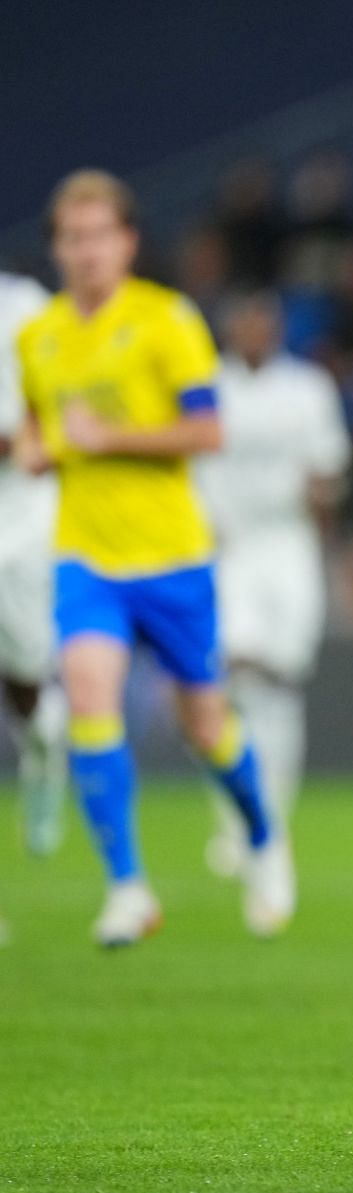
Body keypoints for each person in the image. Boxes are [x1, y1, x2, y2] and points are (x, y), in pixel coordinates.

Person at [14, 170, 290, 945]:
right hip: (86, 557)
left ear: (127, 242)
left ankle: (265, 840)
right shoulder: (39, 338)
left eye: (101, 235)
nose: (88, 251)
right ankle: (127, 887)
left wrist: (111, 440)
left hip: (173, 558)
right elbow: (38, 425)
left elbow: (207, 433)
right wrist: (38, 449)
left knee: (206, 725)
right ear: (58, 249)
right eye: (73, 238)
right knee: (88, 696)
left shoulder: (166, 319)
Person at [197, 291, 352, 887]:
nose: (255, 330)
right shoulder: (208, 385)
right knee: (233, 678)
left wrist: (321, 510)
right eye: (245, 320)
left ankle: (270, 820)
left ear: (278, 326)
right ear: (231, 327)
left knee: (281, 683)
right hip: (228, 550)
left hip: (288, 550)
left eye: (264, 320)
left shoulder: (307, 388)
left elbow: (328, 473)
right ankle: (237, 821)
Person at [0, 269, 65, 859]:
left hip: (18, 514)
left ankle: (43, 743)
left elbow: (55, 404)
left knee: (24, 674)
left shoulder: (25, 305)